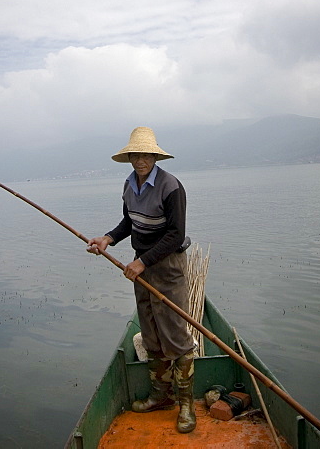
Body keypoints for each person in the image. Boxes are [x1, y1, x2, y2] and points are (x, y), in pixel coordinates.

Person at [86, 126, 196, 434]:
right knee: (150, 333)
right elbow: (129, 222)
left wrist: (142, 261)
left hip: (166, 266)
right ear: (130, 157)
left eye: (146, 155)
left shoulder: (171, 187)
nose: (140, 161)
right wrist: (108, 238)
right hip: (141, 267)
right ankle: (161, 396)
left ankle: (186, 404)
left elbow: (176, 235)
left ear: (155, 156)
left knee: (175, 334)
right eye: (135, 155)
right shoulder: (129, 184)